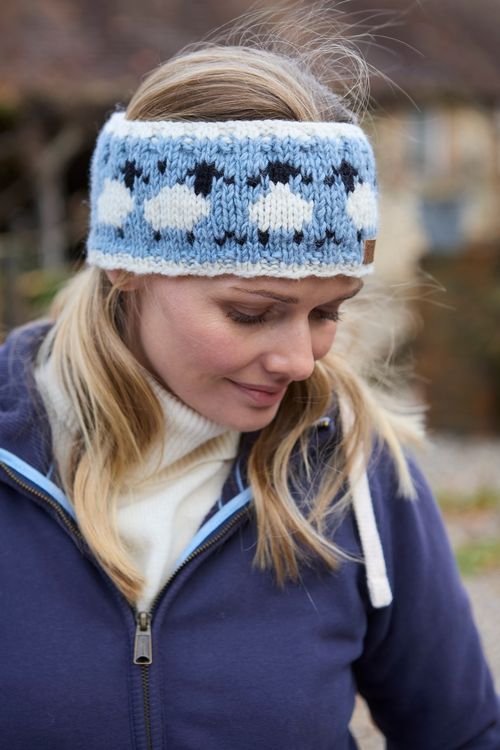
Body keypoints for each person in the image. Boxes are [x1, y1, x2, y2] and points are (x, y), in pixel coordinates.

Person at [1, 21, 499, 750]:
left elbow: (463, 735)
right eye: (251, 313)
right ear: (126, 265)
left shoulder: (354, 473)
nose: (300, 361)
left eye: (326, 312)